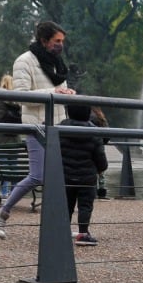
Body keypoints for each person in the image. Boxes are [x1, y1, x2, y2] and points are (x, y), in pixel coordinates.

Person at [0, 21, 76, 239]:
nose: (61, 45)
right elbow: (21, 96)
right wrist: (55, 91)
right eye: (57, 41)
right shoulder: (24, 61)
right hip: (35, 125)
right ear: (44, 40)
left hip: (57, 125)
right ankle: (1, 214)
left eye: (62, 41)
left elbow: (57, 91)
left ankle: (58, 225)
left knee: (57, 176)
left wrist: (64, 94)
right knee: (38, 176)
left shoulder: (57, 63)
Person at [59, 104, 108, 246]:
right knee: (85, 206)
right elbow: (101, 159)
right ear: (88, 114)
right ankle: (83, 233)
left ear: (68, 113)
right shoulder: (94, 132)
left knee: (66, 205)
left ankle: (62, 233)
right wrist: (101, 168)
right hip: (87, 177)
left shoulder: (60, 128)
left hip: (65, 175)